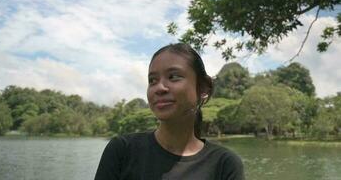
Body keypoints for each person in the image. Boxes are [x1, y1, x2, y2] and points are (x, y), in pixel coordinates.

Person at [94, 43, 245, 180]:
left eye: (173, 77)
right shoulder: (122, 150)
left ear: (203, 88)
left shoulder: (224, 164)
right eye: (152, 80)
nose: (159, 88)